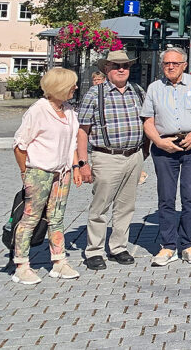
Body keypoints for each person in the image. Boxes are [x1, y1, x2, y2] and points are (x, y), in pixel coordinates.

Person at [141, 48, 191, 266]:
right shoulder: (154, 88)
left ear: (185, 65)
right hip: (164, 144)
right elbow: (148, 120)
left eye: (175, 63)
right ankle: (168, 245)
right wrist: (158, 141)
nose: (170, 67)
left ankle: (188, 243)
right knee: (166, 197)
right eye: (166, 64)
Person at [10, 67, 82, 284]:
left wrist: (76, 166)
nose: (75, 87)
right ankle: (21, 264)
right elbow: (19, 145)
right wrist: (25, 172)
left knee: (57, 217)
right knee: (31, 217)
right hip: (39, 171)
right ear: (59, 86)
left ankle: (59, 261)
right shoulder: (38, 110)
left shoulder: (68, 109)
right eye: (72, 84)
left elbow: (72, 143)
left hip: (62, 172)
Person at [76, 50, 146, 271]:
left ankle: (118, 247)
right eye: (116, 66)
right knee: (100, 207)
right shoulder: (94, 94)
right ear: (106, 69)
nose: (121, 69)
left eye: (124, 65)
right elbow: (82, 131)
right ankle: (94, 250)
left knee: (126, 206)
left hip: (133, 155)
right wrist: (83, 162)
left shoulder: (137, 91)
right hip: (106, 156)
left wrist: (144, 152)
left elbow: (148, 122)